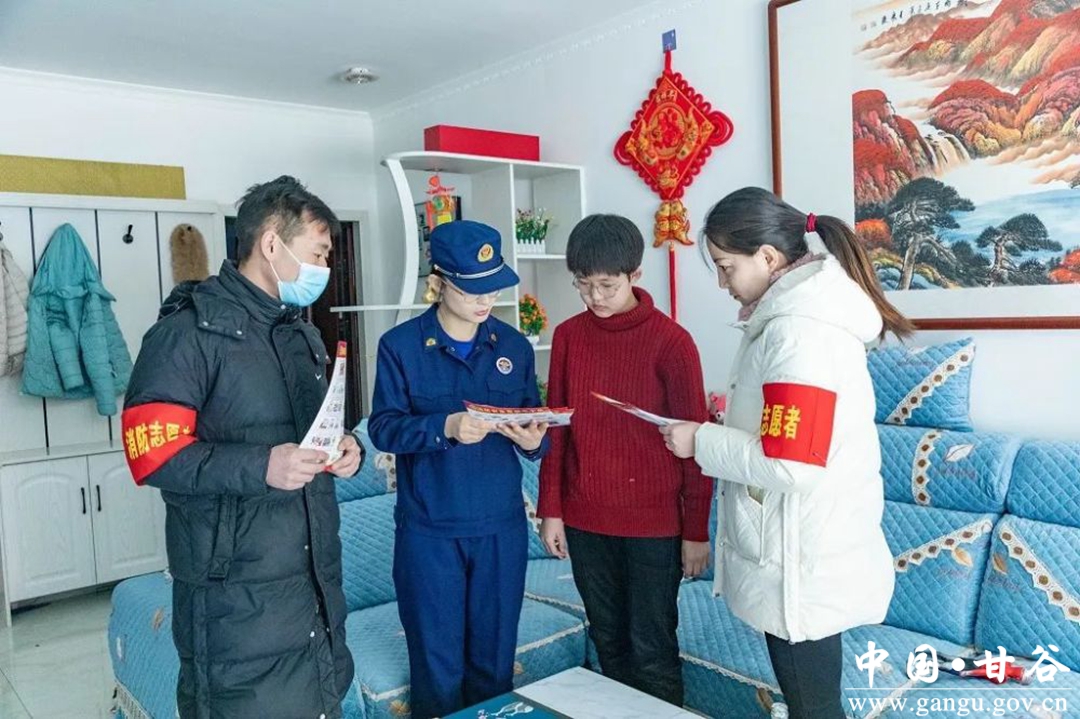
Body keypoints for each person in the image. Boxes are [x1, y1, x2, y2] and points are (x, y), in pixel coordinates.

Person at [660, 187, 912, 719]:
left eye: (726, 267)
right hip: (801, 549)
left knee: (813, 708)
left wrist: (699, 441)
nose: (723, 283)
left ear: (769, 257)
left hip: (800, 562)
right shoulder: (793, 318)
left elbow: (791, 463)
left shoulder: (800, 332)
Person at [122, 176, 364, 718]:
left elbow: (311, 435)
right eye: (317, 253)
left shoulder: (301, 335)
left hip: (313, 585)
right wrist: (262, 466)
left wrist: (346, 449)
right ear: (271, 244)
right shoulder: (187, 334)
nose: (324, 268)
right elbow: (151, 454)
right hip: (233, 598)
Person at [368, 220, 549, 719]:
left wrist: (536, 442)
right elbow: (383, 428)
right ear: (439, 282)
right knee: (437, 670)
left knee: (494, 666)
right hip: (430, 533)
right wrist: (444, 426)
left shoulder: (513, 347)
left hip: (500, 529)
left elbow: (532, 419)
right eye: (472, 289)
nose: (486, 299)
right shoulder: (400, 347)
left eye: (493, 286)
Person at [536, 214, 713, 707]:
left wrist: (696, 531)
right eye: (583, 285)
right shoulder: (569, 336)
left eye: (607, 286)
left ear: (635, 275)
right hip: (587, 520)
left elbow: (697, 445)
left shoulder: (672, 342)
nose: (594, 297)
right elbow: (558, 427)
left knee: (652, 649)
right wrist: (551, 509)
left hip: (654, 527)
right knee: (608, 642)